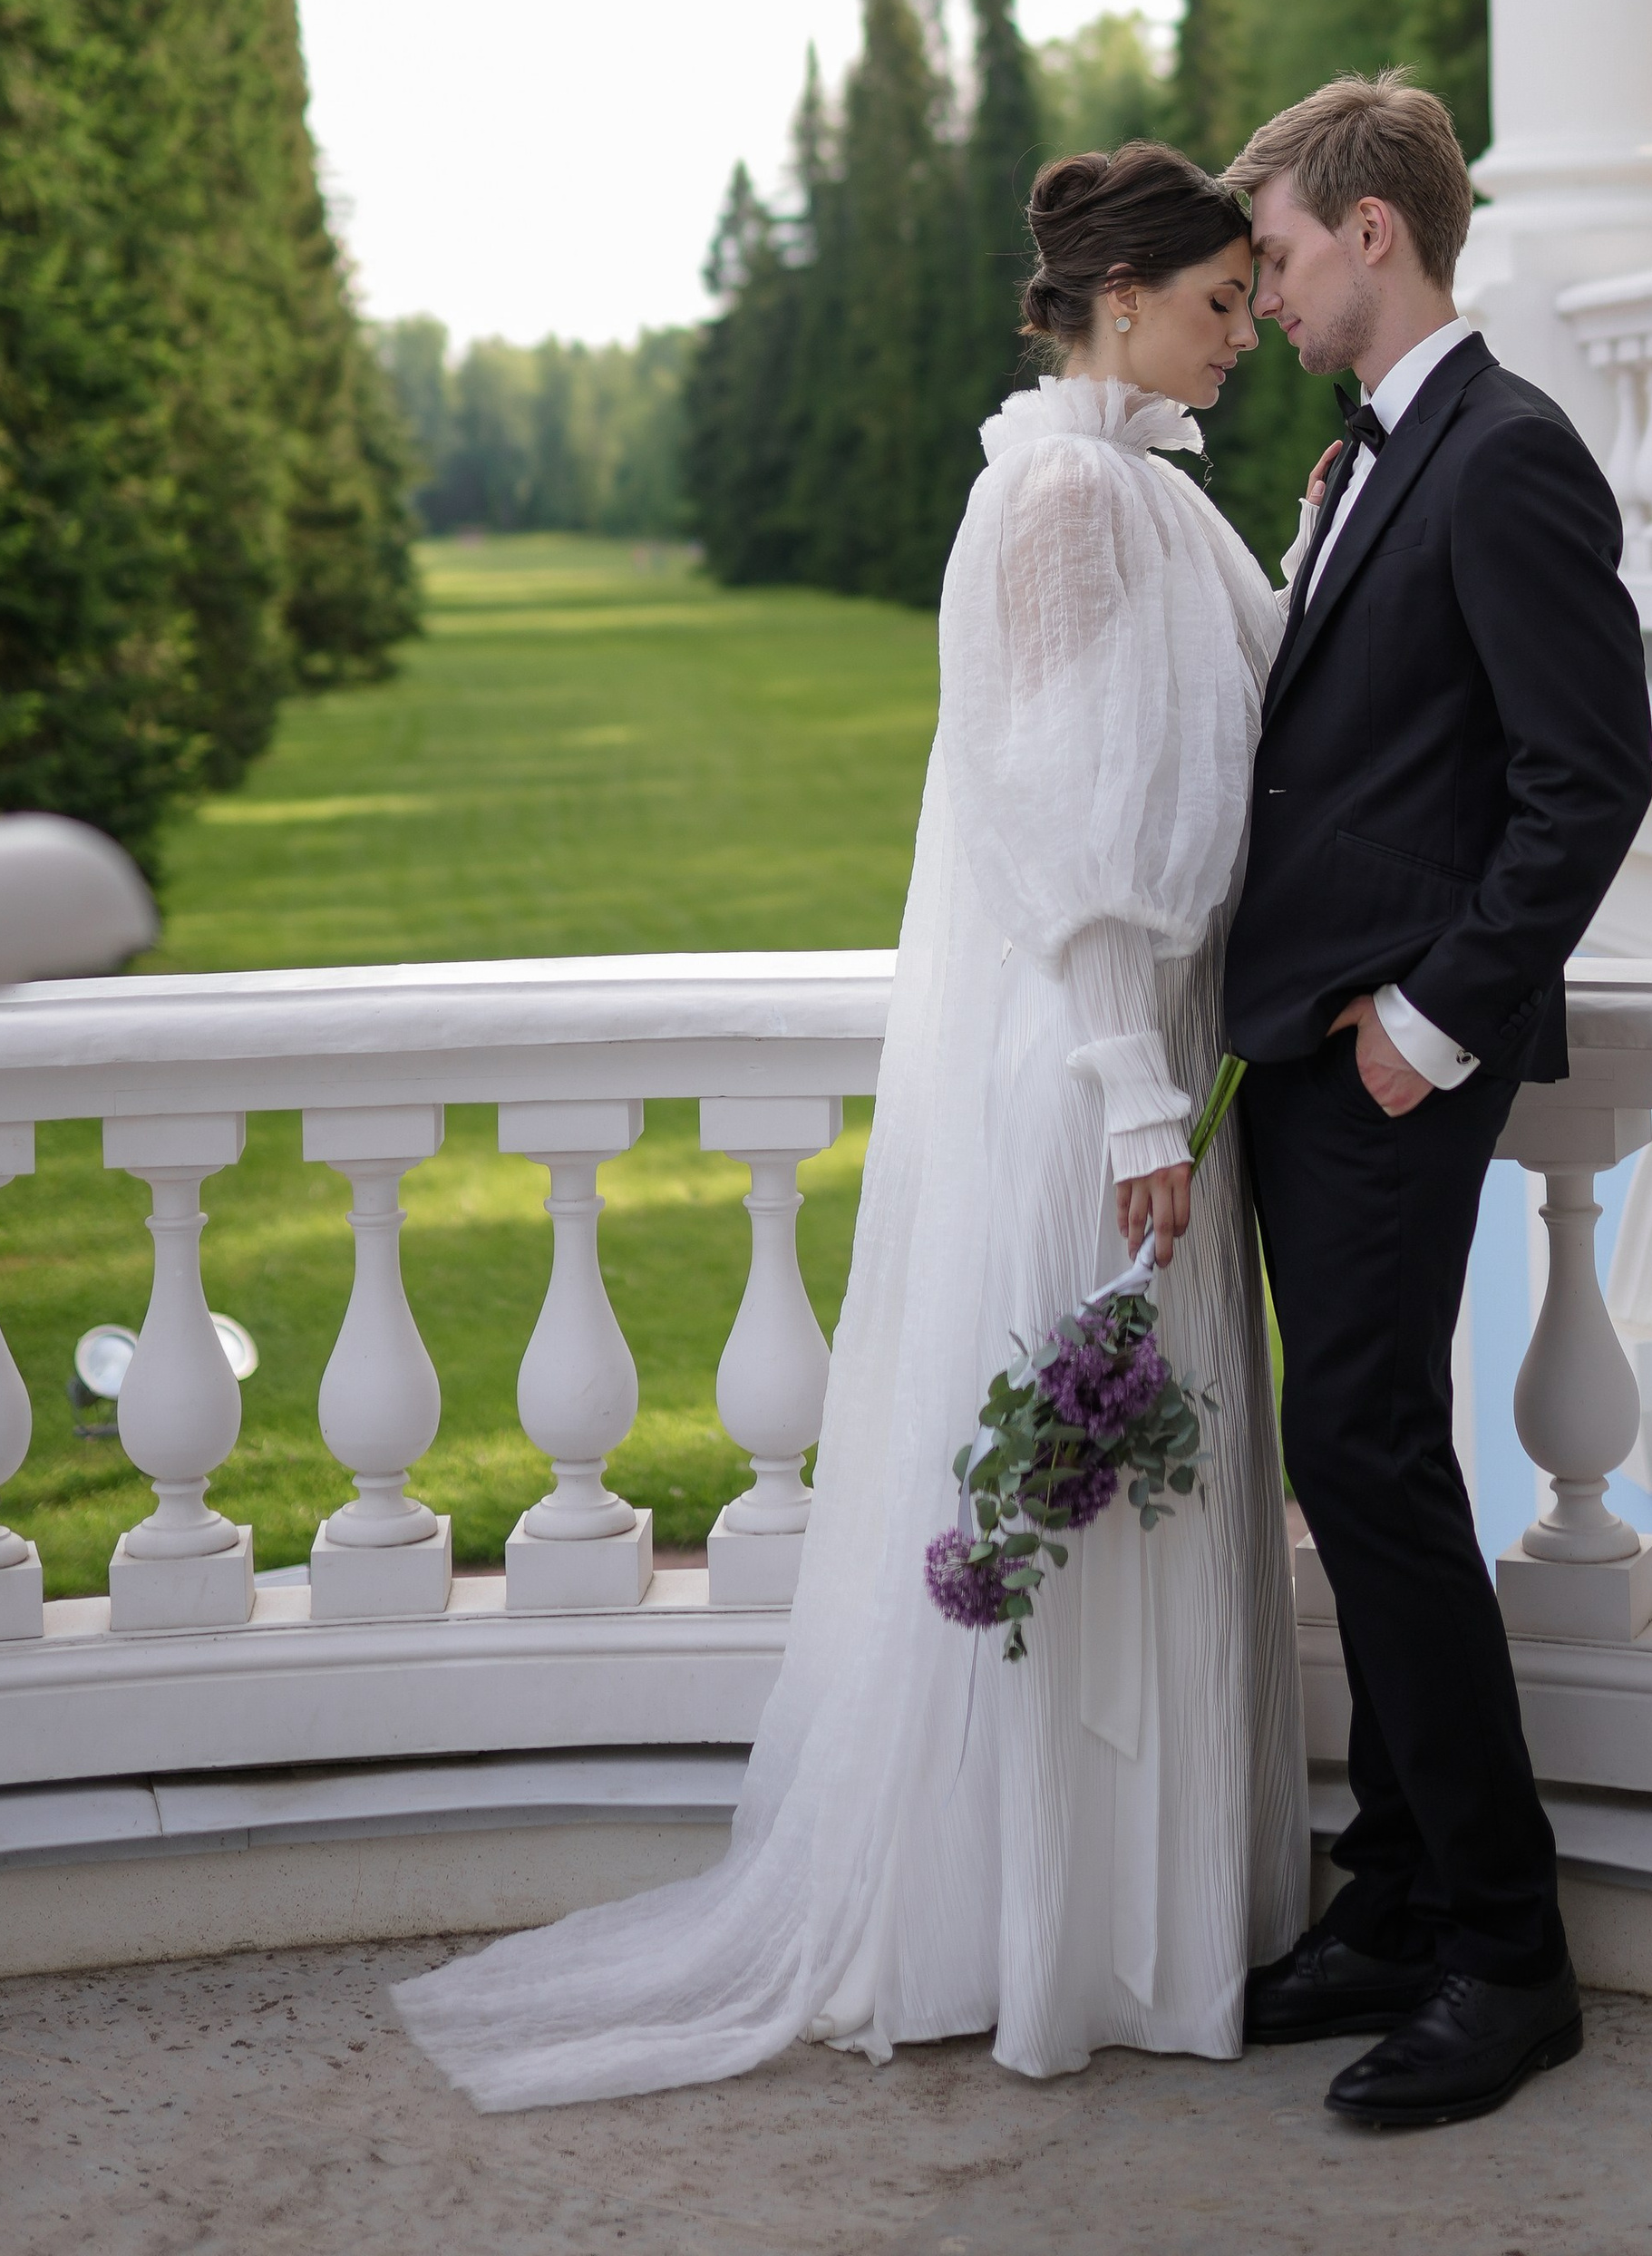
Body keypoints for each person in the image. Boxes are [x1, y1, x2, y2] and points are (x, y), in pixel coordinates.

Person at [396, 141, 1309, 2106]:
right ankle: (1037, 1931)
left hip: (1148, 1064)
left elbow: (1256, 720)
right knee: (1078, 1475)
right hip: (1094, 1079)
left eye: (1252, 302)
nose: (1249, 337)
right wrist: (1141, 1091)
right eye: (1223, 303)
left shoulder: (1150, 497)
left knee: (1138, 1478)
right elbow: (1065, 827)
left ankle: (1144, 1927)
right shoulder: (1061, 496)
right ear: (1124, 293)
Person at [1221, 70, 1652, 2130]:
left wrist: (1428, 1021)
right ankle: (1392, 1891)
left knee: (1368, 1459)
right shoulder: (1365, 460)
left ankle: (1503, 1946)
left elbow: (1588, 780)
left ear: (1370, 230)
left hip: (1394, 1063)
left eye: (1287, 254)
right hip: (1310, 1052)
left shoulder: (1501, 458)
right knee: (1359, 1458)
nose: (1274, 292)